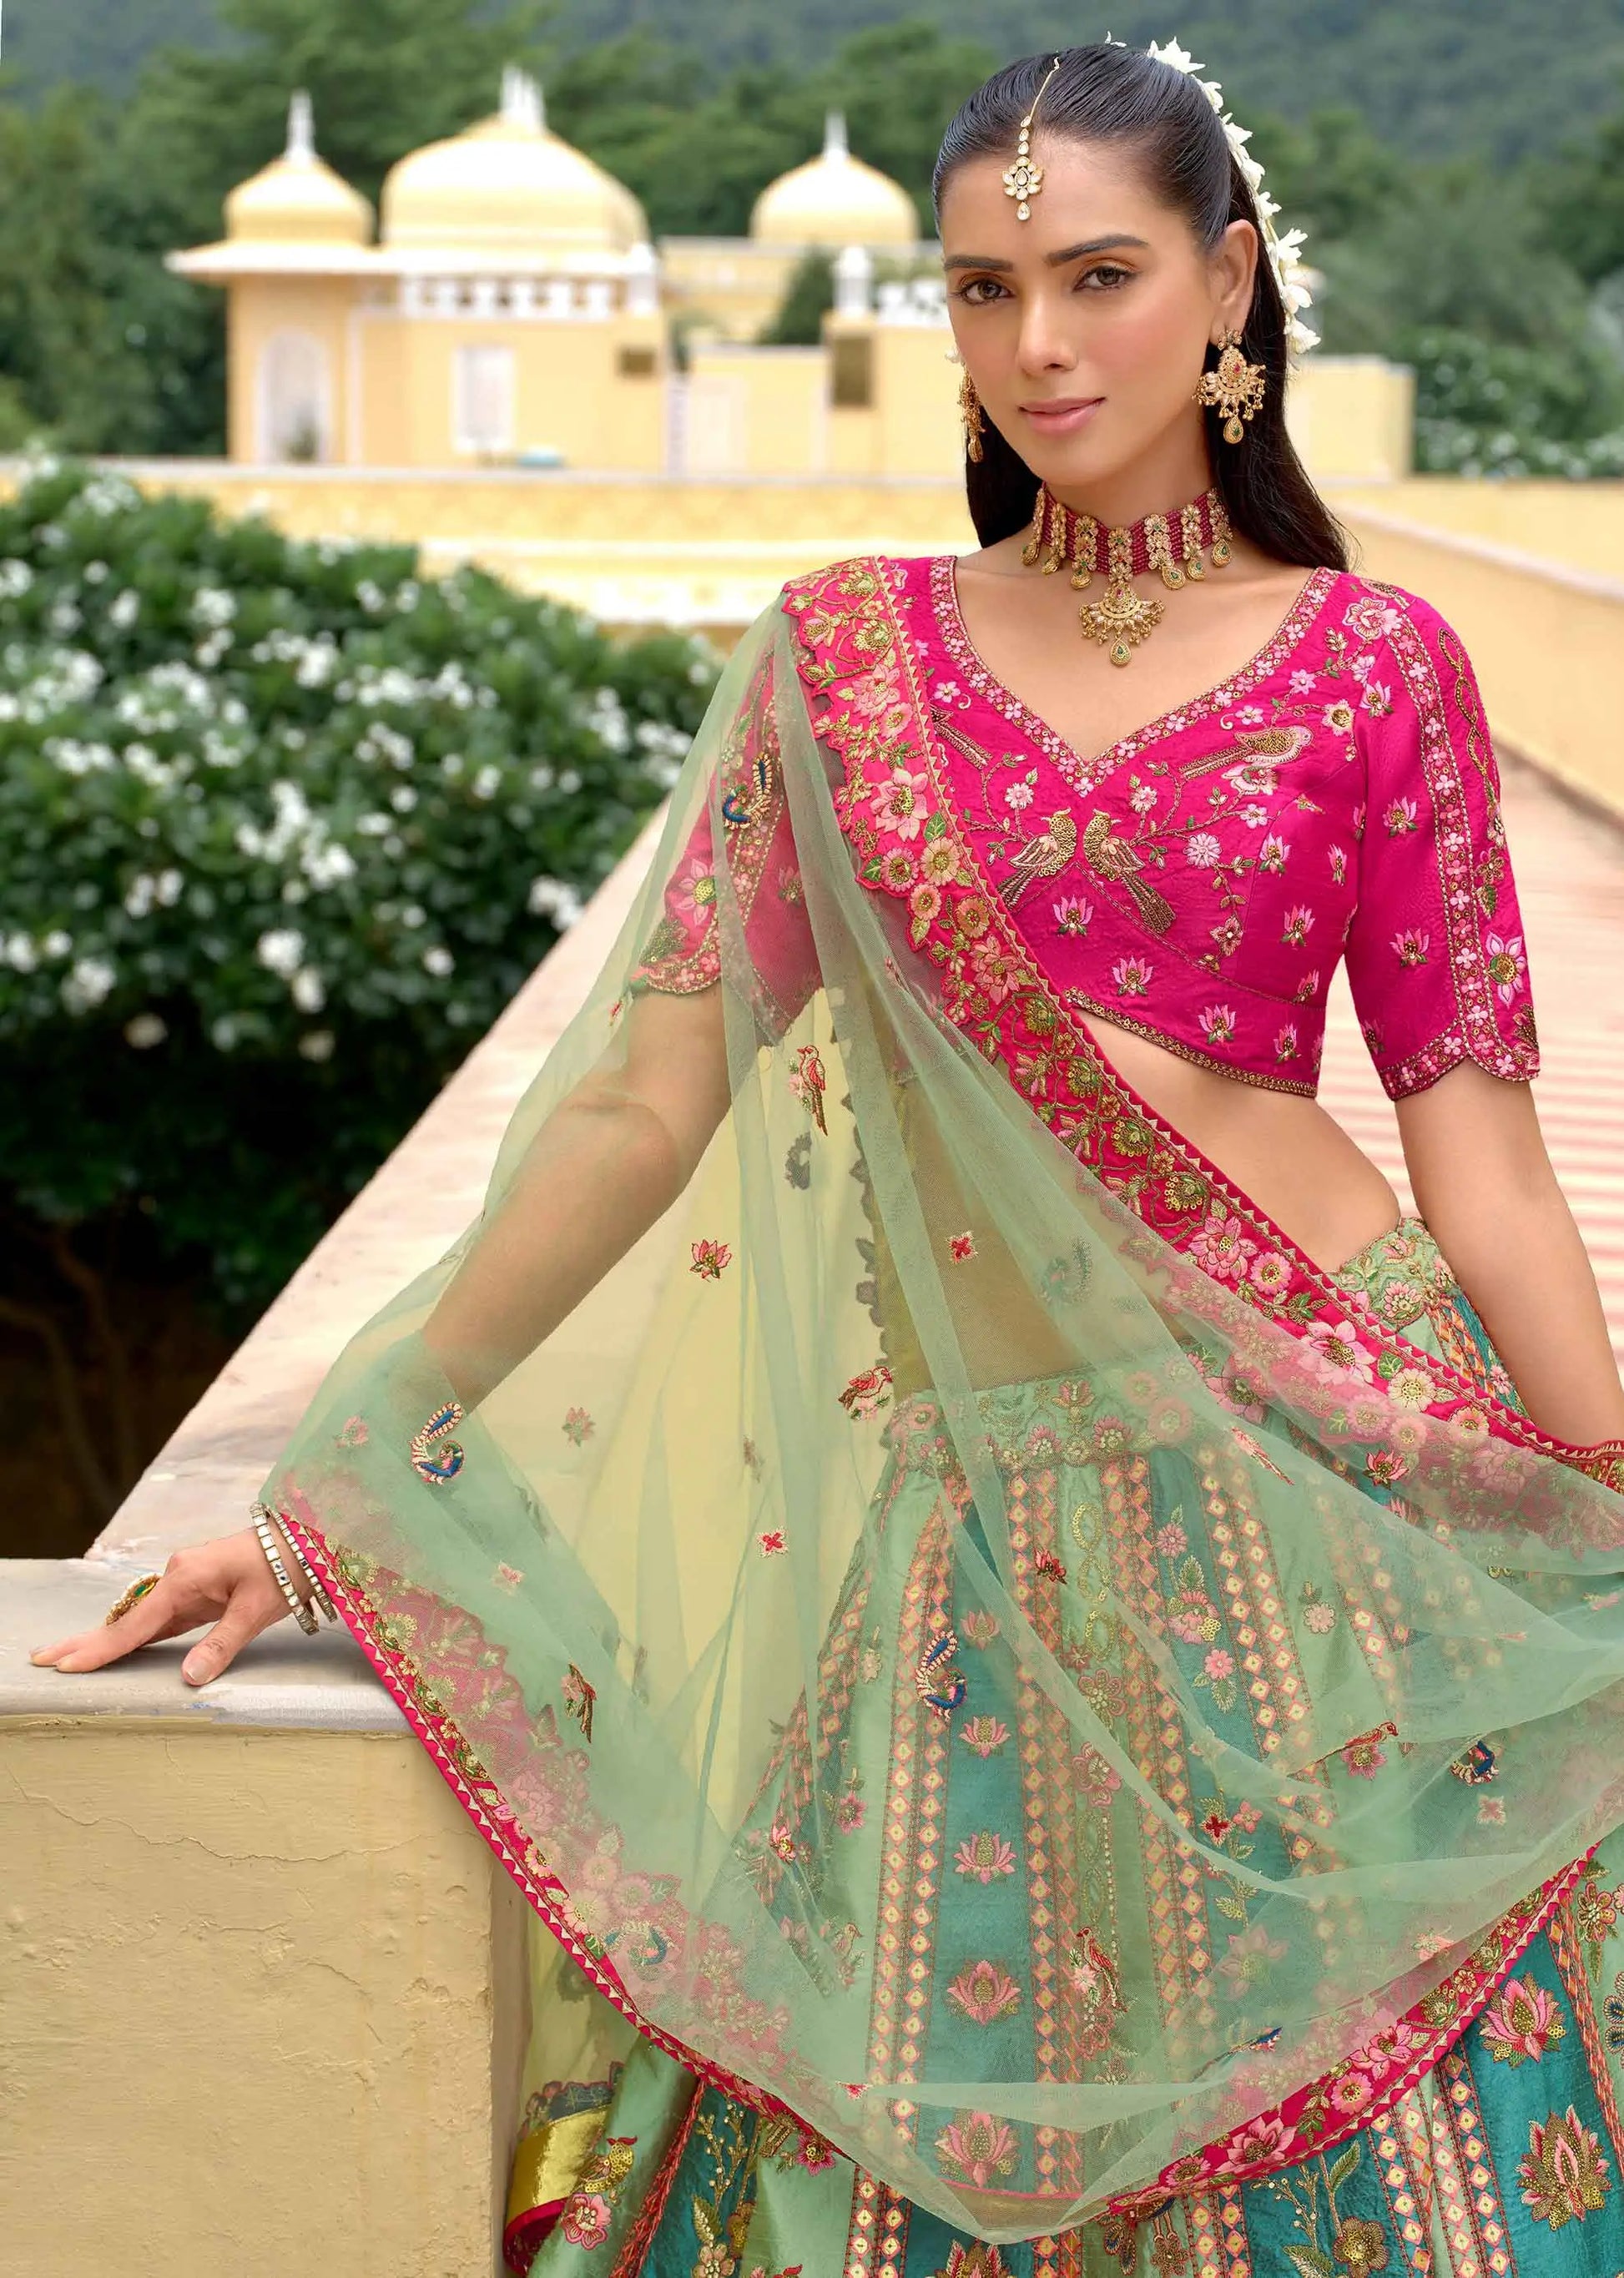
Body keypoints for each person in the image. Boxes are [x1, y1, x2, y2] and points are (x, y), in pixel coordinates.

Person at [33, 39, 1624, 2276]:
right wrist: (340, 1489)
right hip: (982, 1528)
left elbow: (1484, 1160)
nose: (1037, 344)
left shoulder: (1373, 668)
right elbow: (640, 1103)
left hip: (1333, 1473)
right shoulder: (847, 663)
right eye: (982, 289)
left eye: (1097, 275)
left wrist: (1598, 1491)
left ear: (1229, 279)